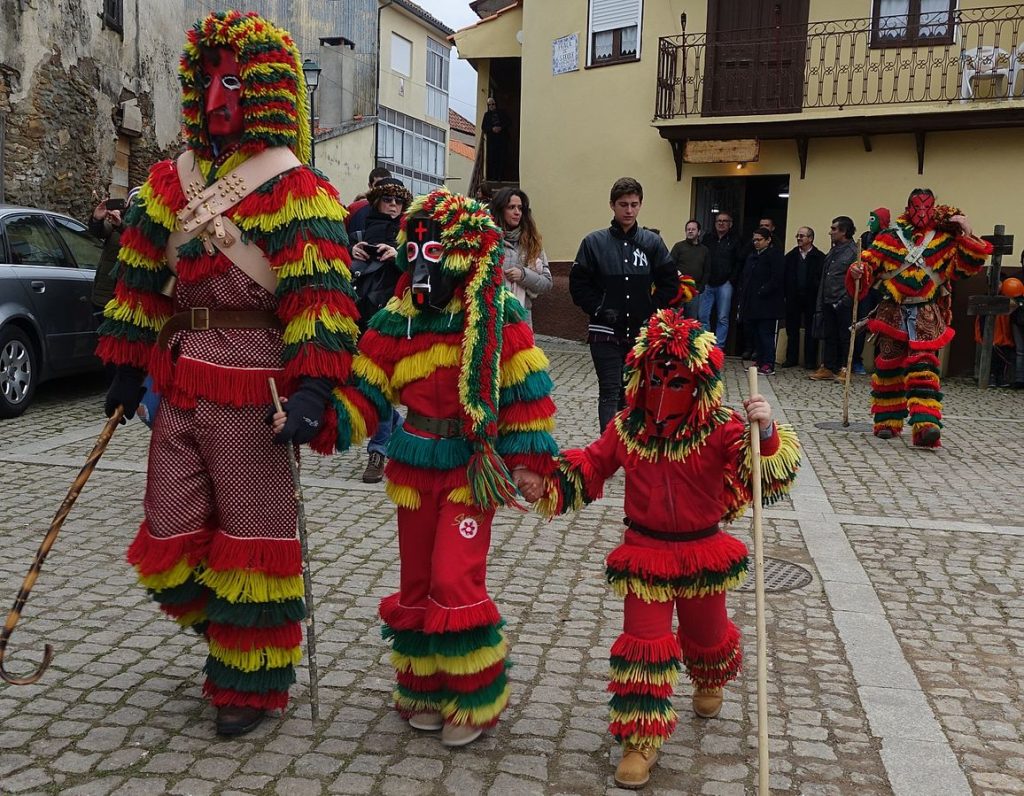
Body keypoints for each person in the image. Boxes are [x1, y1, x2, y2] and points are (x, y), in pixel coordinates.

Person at [96, 10, 378, 737]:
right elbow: (135, 281)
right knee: (167, 535)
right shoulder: (168, 180)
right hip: (182, 378)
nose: (220, 99)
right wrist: (126, 366)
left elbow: (322, 299)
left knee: (255, 538)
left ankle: (249, 686)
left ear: (265, 90)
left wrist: (314, 390)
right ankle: (234, 636)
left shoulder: (299, 189)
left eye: (235, 81)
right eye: (209, 80)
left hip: (261, 387)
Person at [538, 310, 800, 789]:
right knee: (644, 646)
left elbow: (766, 471)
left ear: (699, 381)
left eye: (677, 378)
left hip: (703, 552)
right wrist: (547, 480)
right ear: (641, 375)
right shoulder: (626, 427)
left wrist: (763, 431)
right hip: (646, 553)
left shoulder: (719, 426)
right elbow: (592, 467)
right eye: (656, 377)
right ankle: (640, 737)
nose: (664, 389)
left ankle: (709, 674)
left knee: (707, 632)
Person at [339, 187, 559, 747]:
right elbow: (366, 388)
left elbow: (525, 390)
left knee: (452, 575)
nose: (419, 267)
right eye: (413, 253)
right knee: (415, 577)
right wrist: (316, 418)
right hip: (414, 465)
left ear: (461, 254)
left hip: (469, 463)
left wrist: (531, 460)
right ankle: (423, 686)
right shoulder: (396, 317)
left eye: (433, 254)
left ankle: (474, 696)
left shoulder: (497, 313)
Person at [849, 189, 992, 446]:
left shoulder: (945, 239)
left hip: (926, 312)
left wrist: (967, 232)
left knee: (924, 368)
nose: (921, 212)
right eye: (916, 206)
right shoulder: (889, 237)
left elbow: (966, 268)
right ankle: (886, 422)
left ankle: (926, 425)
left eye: (926, 206)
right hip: (893, 311)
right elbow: (870, 263)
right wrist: (859, 270)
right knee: (888, 366)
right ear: (907, 207)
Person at [569, 177, 679, 431]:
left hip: (641, 333)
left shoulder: (652, 243)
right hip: (605, 332)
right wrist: (598, 308)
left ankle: (632, 447)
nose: (629, 210)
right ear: (612, 205)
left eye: (634, 204)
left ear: (640, 205)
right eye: (623, 204)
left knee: (634, 393)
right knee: (609, 390)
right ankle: (608, 451)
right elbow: (578, 285)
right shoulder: (593, 243)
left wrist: (653, 309)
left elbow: (670, 282)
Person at [350, 176, 413, 483]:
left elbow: (425, 269)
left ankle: (378, 450)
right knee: (364, 385)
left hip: (394, 318)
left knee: (380, 384)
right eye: (387, 200)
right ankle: (402, 433)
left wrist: (398, 256)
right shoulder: (360, 224)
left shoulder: (410, 231)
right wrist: (354, 249)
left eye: (398, 201)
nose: (392, 206)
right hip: (360, 315)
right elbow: (336, 255)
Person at [488, 187, 552, 328]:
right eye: (511, 207)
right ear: (500, 210)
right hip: (491, 320)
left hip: (521, 321)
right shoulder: (487, 240)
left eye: (520, 208)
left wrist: (523, 275)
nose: (517, 212)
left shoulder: (531, 242)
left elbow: (547, 283)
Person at [809, 216, 859, 381]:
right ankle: (829, 367)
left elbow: (857, 278)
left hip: (843, 300)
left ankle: (845, 367)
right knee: (829, 335)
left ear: (843, 231)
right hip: (828, 299)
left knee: (844, 336)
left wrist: (845, 298)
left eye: (834, 229)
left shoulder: (854, 251)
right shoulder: (834, 249)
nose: (830, 232)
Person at [738, 226, 786, 375]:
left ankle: (768, 363)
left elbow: (777, 278)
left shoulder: (775, 255)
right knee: (756, 334)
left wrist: (763, 290)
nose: (756, 243)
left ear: (768, 240)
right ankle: (759, 360)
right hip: (752, 302)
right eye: (754, 240)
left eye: (759, 240)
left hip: (767, 304)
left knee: (766, 334)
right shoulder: (752, 256)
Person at [782, 226, 824, 369]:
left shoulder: (819, 257)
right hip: (793, 297)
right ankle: (791, 358)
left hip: (811, 297)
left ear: (810, 238)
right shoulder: (791, 256)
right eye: (797, 236)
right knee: (791, 329)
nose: (799, 238)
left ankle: (810, 361)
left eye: (802, 236)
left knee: (811, 330)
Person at [88, 191, 137, 312]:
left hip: (130, 299)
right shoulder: (116, 221)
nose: (136, 204)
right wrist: (96, 219)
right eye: (134, 200)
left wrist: (121, 225)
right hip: (105, 295)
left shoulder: (149, 226)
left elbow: (138, 239)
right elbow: (100, 231)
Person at [699, 211, 742, 350]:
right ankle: (705, 345)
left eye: (725, 221)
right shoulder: (707, 238)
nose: (721, 223)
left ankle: (719, 348)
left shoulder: (735, 240)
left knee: (723, 317)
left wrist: (732, 279)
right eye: (719, 221)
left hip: (725, 283)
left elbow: (738, 262)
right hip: (708, 282)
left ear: (730, 224)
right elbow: (703, 259)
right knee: (703, 316)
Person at [669, 219, 708, 320]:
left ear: (699, 232)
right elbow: (670, 266)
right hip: (679, 291)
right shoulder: (678, 247)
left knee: (691, 321)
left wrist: (700, 289)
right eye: (688, 229)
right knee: (675, 320)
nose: (690, 231)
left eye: (693, 229)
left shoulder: (704, 250)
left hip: (694, 292)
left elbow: (707, 271)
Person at [347, 166, 392, 236]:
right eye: (378, 186)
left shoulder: (398, 210)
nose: (382, 189)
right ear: (370, 186)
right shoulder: (355, 209)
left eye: (386, 186)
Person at [481, 97, 508, 181]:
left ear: (496, 104)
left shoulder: (502, 113)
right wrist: (492, 129)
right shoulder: (486, 115)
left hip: (501, 139)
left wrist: (501, 128)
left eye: (493, 104)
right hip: (492, 141)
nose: (492, 106)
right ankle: (492, 177)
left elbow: (508, 122)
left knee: (501, 158)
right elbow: (483, 127)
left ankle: (500, 177)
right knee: (492, 159)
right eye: (490, 105)